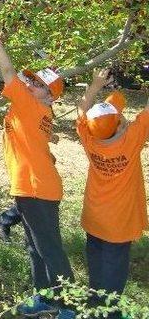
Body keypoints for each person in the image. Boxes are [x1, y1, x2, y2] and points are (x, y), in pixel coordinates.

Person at [0, 23, 75, 319]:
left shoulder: (29, 105)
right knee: (35, 248)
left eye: (38, 85)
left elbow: (9, 74)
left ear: (49, 97)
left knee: (50, 250)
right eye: (33, 81)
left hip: (36, 188)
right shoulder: (39, 110)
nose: (30, 85)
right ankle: (45, 297)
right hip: (31, 187)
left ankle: (70, 307)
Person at [76, 69, 148, 319]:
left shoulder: (89, 138)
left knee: (96, 263)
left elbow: (81, 110)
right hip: (118, 223)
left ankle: (95, 303)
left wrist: (95, 85)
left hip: (94, 217)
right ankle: (110, 313)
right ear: (119, 124)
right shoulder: (132, 139)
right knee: (115, 271)